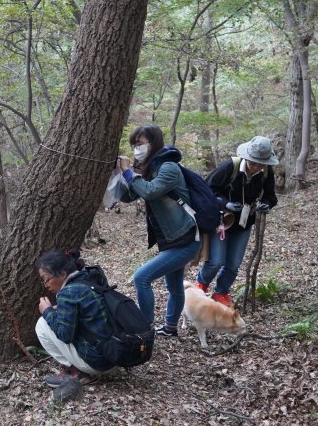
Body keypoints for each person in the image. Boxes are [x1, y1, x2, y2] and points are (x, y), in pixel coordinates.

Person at [117, 124, 202, 338]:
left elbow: (150, 191)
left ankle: (145, 328)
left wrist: (129, 172)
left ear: (153, 143)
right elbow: (129, 196)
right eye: (134, 145)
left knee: (141, 278)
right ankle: (170, 328)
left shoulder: (168, 168)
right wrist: (118, 175)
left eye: (140, 144)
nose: (137, 149)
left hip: (186, 238)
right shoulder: (150, 170)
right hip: (173, 240)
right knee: (173, 285)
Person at [196, 135, 279, 307]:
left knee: (233, 264)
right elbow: (207, 189)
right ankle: (200, 287)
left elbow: (271, 196)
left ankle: (220, 293)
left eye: (260, 163)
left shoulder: (266, 173)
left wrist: (266, 204)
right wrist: (225, 203)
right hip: (221, 222)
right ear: (247, 156)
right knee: (216, 261)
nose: (256, 167)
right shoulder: (230, 167)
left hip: (243, 224)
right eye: (253, 162)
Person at [35, 248, 114, 401]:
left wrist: (47, 311)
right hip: (116, 354)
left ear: (63, 274)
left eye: (46, 278)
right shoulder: (90, 277)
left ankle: (76, 371)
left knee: (42, 324)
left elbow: (65, 335)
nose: (45, 284)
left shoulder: (68, 293)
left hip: (98, 363)